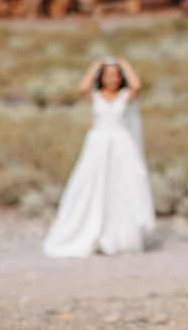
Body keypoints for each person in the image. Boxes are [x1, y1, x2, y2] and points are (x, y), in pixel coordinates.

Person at [43, 57, 156, 257]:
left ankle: (120, 235)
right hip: (98, 146)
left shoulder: (124, 96)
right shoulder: (95, 96)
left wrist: (125, 64)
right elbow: (83, 87)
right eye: (108, 75)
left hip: (121, 145)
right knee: (91, 183)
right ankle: (92, 230)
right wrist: (96, 65)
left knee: (123, 185)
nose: (112, 79)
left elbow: (137, 85)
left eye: (115, 75)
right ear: (101, 77)